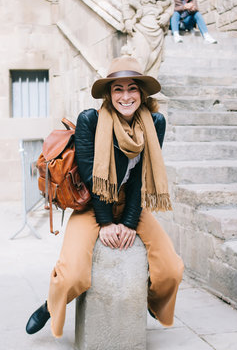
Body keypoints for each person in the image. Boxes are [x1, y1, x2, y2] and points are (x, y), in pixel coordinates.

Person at [25, 56, 184, 338]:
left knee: (171, 269)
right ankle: (50, 305)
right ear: (109, 95)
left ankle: (152, 302)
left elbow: (140, 179)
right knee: (72, 273)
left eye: (132, 88)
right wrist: (107, 222)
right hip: (92, 205)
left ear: (142, 93)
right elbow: (90, 176)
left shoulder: (155, 123)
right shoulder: (91, 120)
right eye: (118, 89)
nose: (126, 96)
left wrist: (130, 222)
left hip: (130, 202)